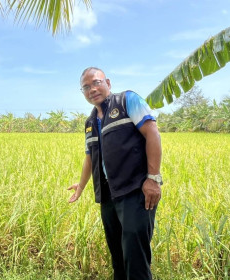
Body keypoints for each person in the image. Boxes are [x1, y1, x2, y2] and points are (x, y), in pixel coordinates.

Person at [68, 67, 162, 280]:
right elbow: (90, 157)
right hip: (108, 195)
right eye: (86, 87)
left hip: (136, 191)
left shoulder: (127, 100)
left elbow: (153, 134)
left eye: (96, 82)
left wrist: (153, 179)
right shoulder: (90, 122)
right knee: (118, 256)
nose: (92, 89)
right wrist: (81, 186)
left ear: (108, 83)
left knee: (135, 257)